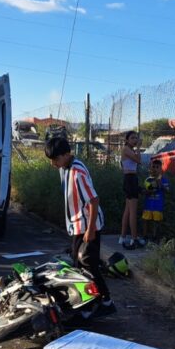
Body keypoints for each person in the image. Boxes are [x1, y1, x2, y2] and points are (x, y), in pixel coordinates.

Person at [45, 136, 116, 318]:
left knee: (88, 265)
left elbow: (93, 200)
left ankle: (104, 302)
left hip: (86, 226)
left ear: (66, 154)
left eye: (55, 159)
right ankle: (89, 302)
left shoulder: (77, 172)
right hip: (78, 226)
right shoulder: (66, 168)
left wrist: (90, 230)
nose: (53, 164)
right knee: (79, 266)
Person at [118, 130, 145, 250]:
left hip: (131, 179)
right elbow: (139, 160)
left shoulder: (130, 150)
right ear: (127, 140)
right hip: (130, 179)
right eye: (133, 138)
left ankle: (122, 237)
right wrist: (139, 147)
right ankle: (134, 238)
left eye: (136, 138)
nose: (135, 140)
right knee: (133, 211)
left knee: (128, 211)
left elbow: (136, 161)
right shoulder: (126, 149)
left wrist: (137, 148)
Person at [141, 159, 170, 242]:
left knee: (156, 222)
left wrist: (160, 184)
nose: (155, 169)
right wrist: (149, 191)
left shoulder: (164, 180)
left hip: (158, 206)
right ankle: (145, 236)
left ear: (161, 168)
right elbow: (144, 191)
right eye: (153, 167)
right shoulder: (148, 180)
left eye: (157, 167)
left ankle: (155, 237)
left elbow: (168, 191)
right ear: (150, 168)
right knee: (146, 220)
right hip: (148, 205)